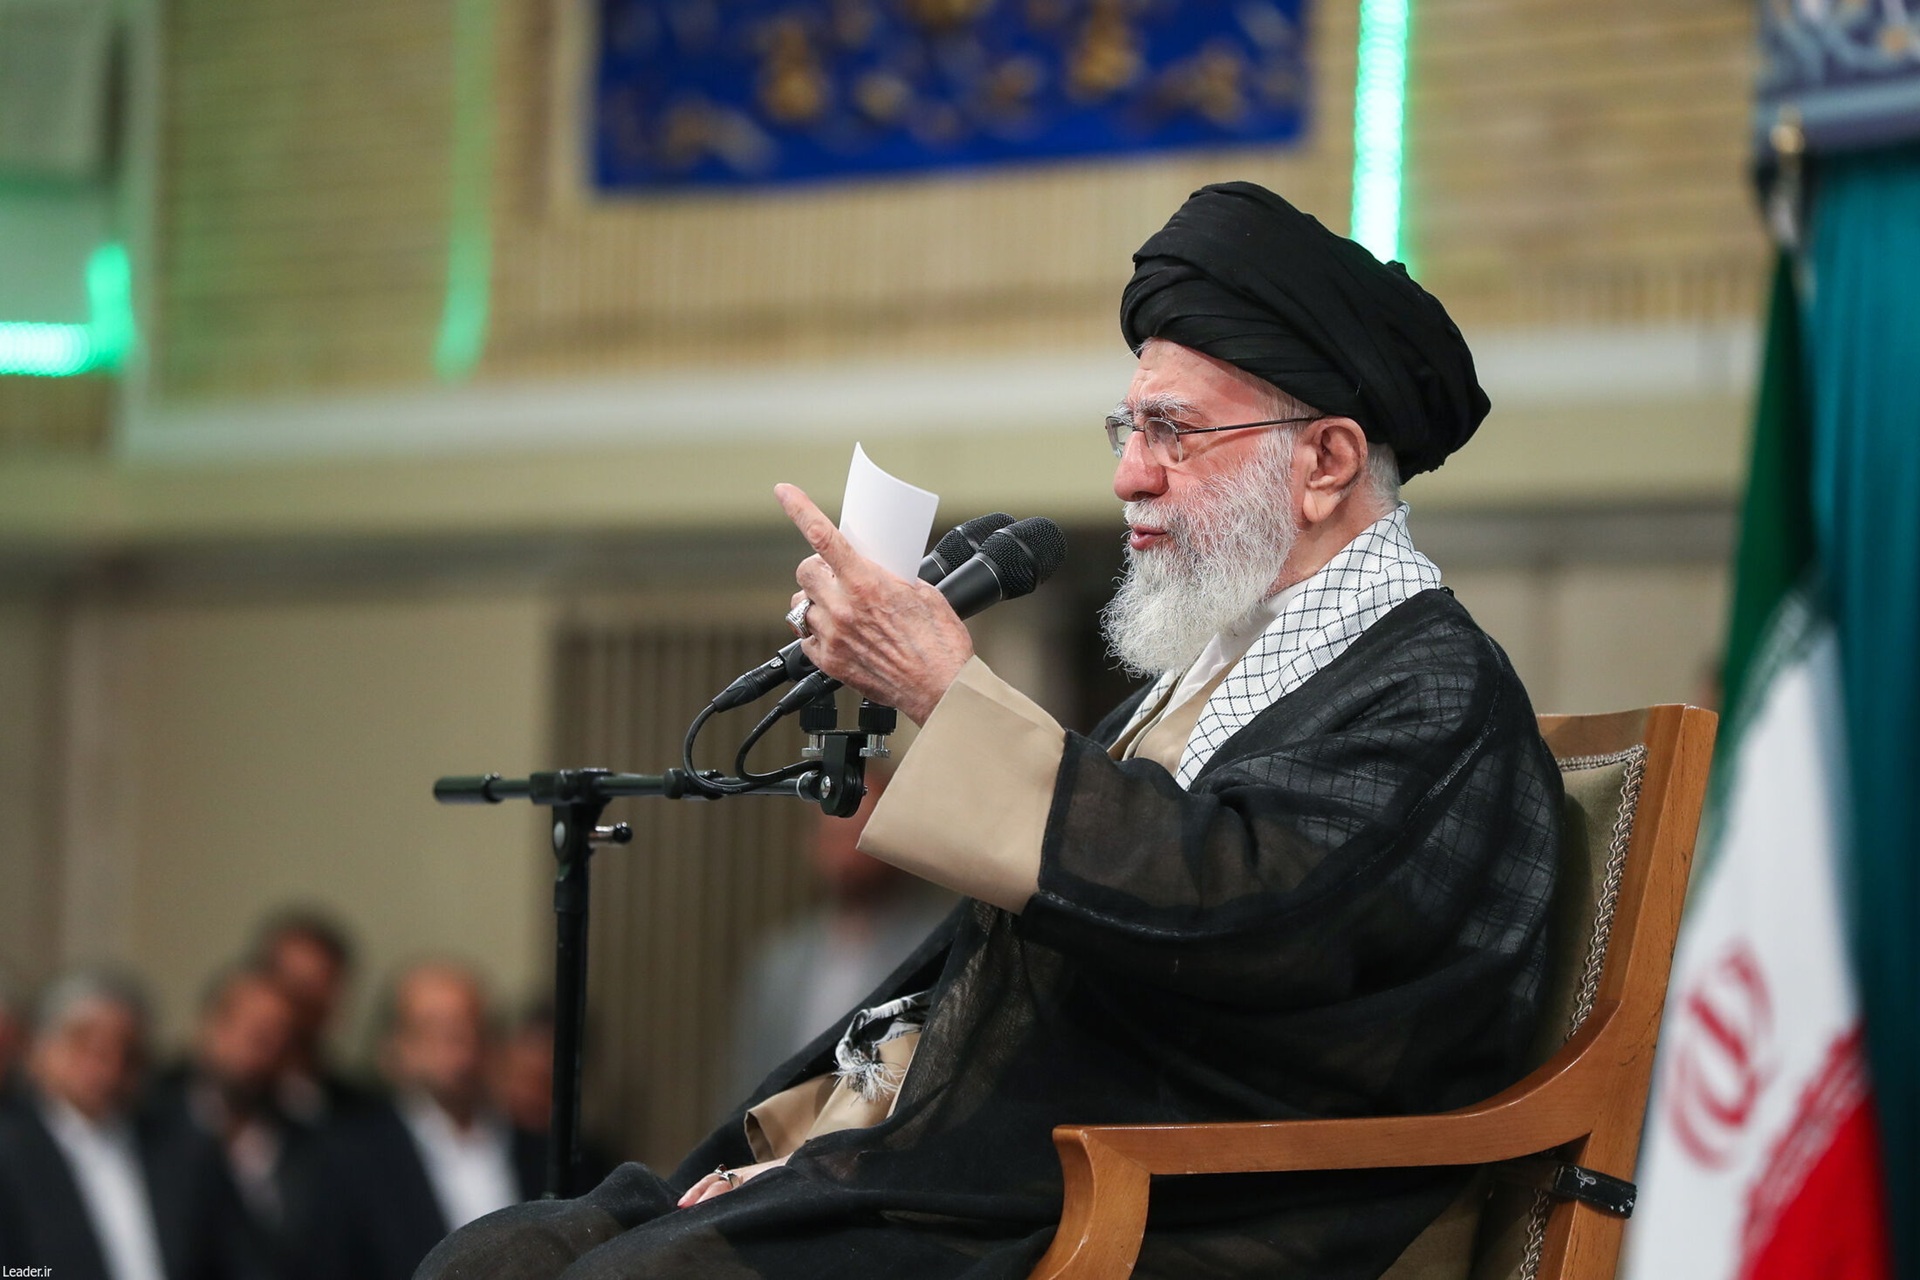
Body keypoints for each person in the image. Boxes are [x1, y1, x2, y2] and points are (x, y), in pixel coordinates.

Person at [420, 181, 1562, 1279]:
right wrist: (821, 1140)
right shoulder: (1223, 663)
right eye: (1128, 427)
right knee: (497, 1254)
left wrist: (945, 690)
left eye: (1172, 432)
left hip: (1181, 1205)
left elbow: (1235, 911)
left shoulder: (1433, 688)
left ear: (1327, 461)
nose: (1128, 477)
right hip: (991, 1156)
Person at [0, 969, 257, 1280]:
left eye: (127, 1051)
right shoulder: (10, 1150)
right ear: (41, 1050)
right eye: (87, 1044)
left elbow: (239, 1259)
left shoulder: (182, 1147)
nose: (109, 1065)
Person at [725, 767, 956, 1099]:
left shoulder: (936, 954)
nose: (845, 856)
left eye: (857, 836)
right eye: (833, 836)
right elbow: (747, 1083)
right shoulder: (781, 958)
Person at [310, 961, 541, 1280]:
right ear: (394, 1048)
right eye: (435, 1028)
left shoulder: (541, 1151)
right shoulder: (347, 1158)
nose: (460, 1041)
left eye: (472, 1024)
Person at [146, 964, 314, 1279]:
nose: (264, 1048)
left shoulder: (312, 1148)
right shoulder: (148, 1128)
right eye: (253, 1031)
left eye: (280, 1037)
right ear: (210, 1025)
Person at [249, 909, 366, 1125]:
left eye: (314, 989)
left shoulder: (361, 1112)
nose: (296, 1009)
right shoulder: (198, 1097)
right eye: (289, 985)